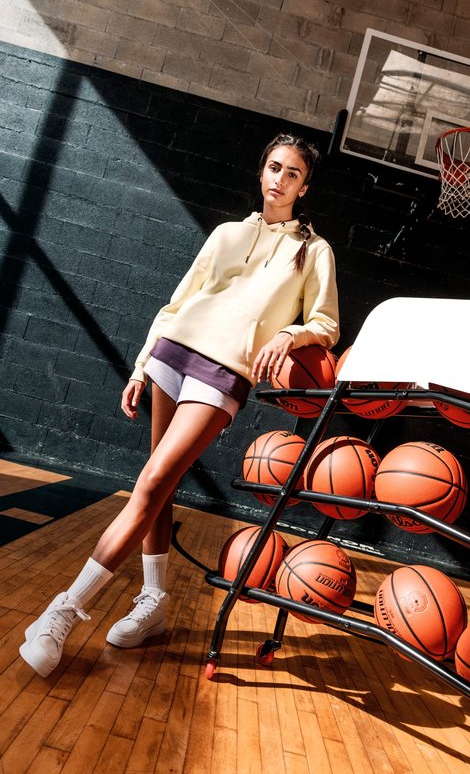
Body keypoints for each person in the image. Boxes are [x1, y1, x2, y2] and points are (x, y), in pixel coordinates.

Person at [19, 132, 340, 677]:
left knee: (150, 483)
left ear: (304, 187)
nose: (280, 179)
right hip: (173, 353)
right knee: (159, 485)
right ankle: (153, 602)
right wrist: (141, 364)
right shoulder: (226, 233)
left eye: (292, 173)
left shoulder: (313, 251)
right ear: (262, 171)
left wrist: (293, 334)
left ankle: (63, 612)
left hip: (224, 371)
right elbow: (179, 302)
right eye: (274, 167)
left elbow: (326, 324)